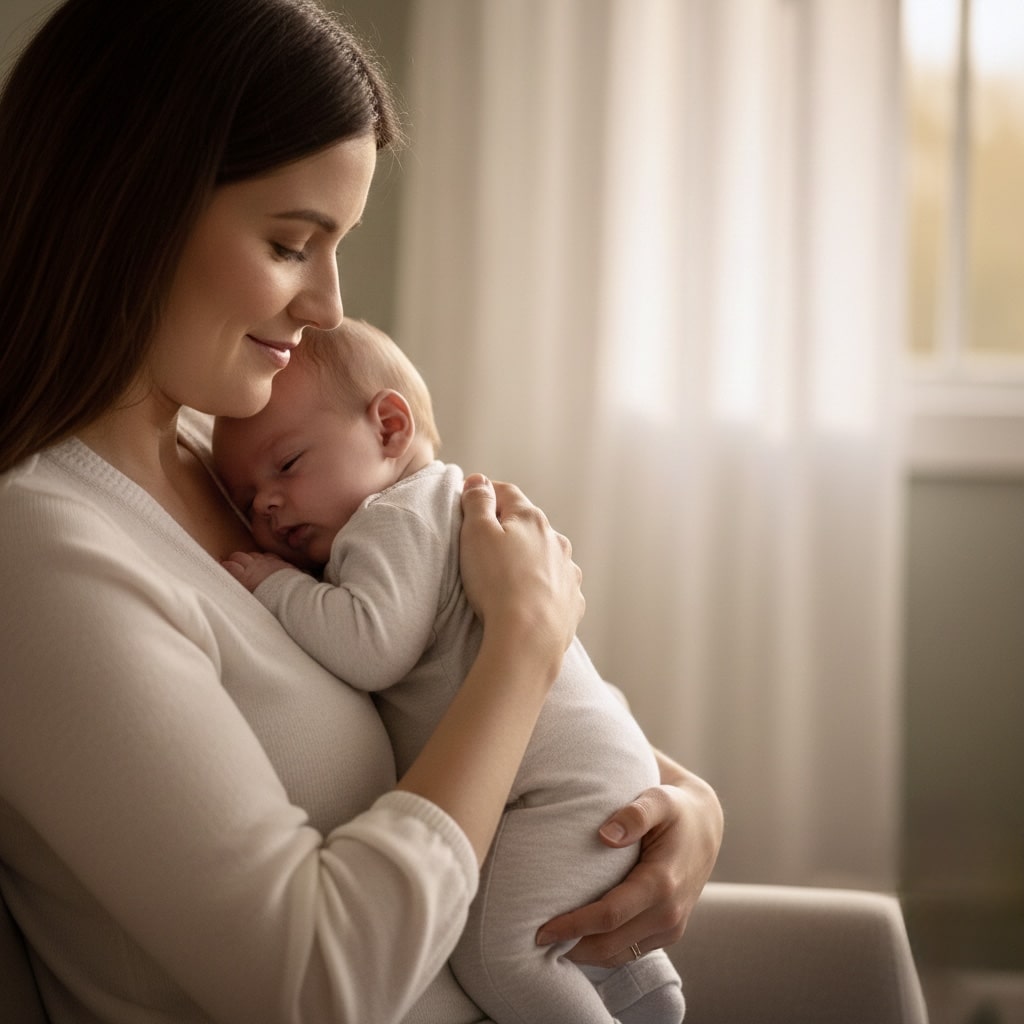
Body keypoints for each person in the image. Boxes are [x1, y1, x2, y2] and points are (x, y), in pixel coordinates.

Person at [0, 1, 724, 1022]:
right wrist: (524, 637)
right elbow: (315, 982)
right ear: (131, 209)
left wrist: (678, 802)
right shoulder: (40, 550)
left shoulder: (232, 470)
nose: (328, 304)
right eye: (293, 243)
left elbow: (440, 696)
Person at [212, 318, 687, 1024]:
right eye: (247, 499)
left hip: (552, 787)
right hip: (586, 768)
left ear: (389, 428)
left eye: (286, 466)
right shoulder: (428, 507)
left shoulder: (393, 517)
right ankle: (644, 994)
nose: (267, 505)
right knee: (550, 923)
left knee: (500, 955)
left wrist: (277, 586)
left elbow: (374, 645)